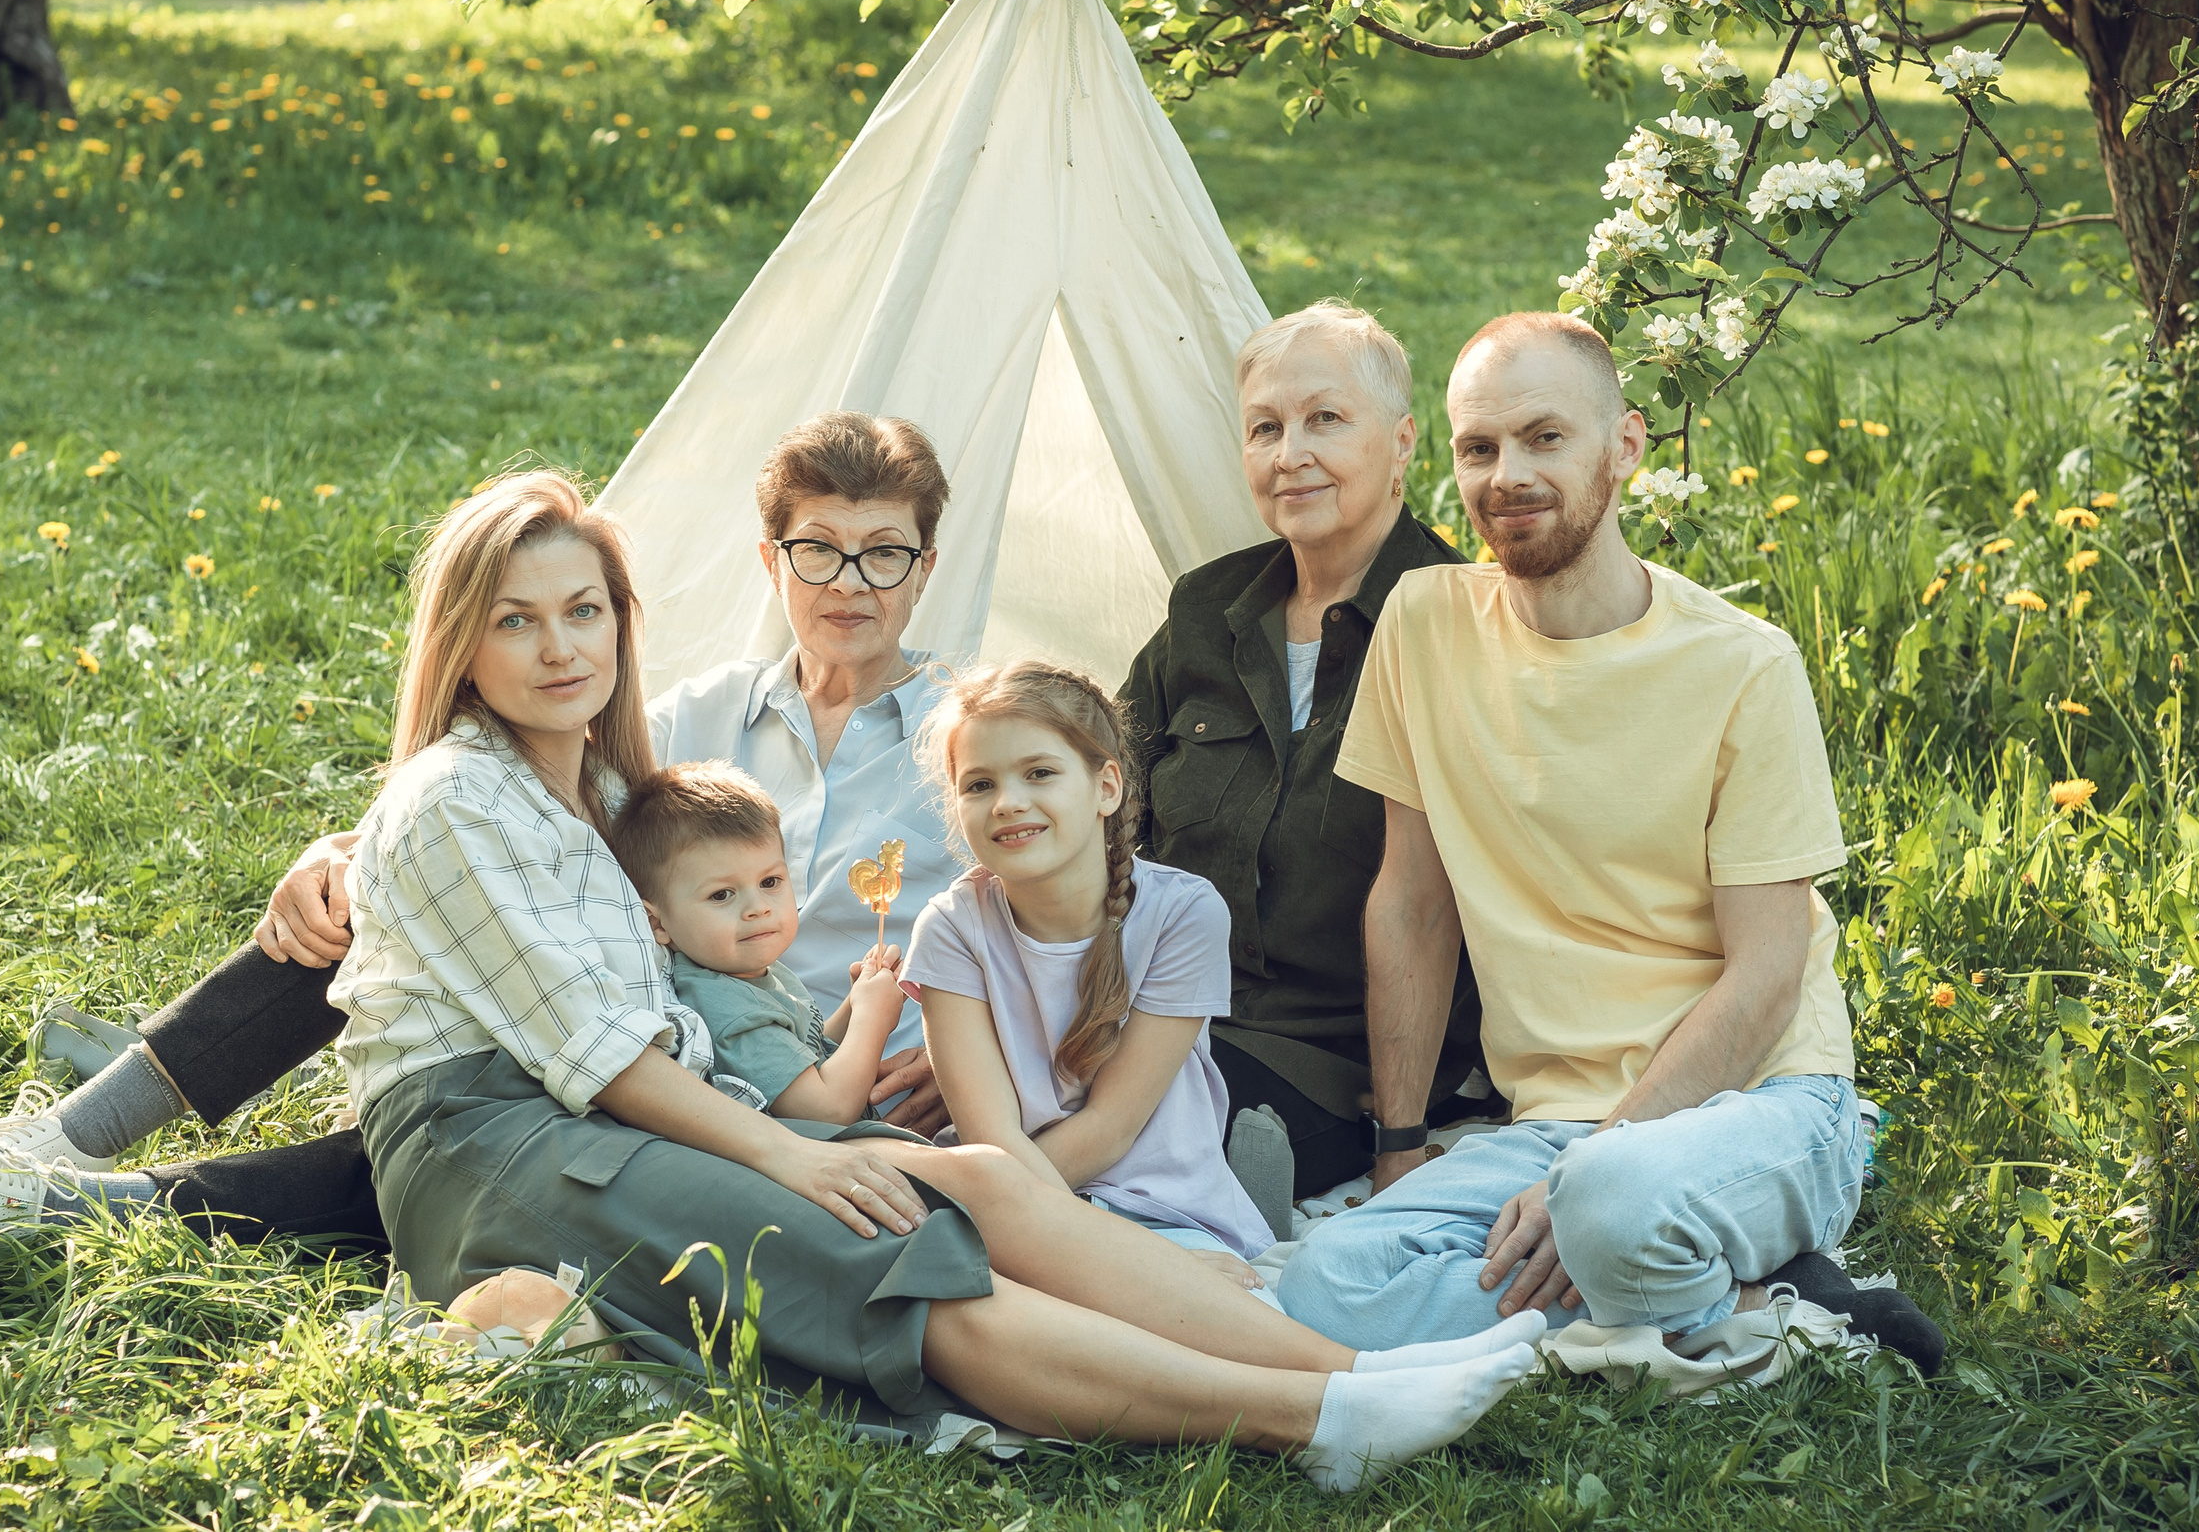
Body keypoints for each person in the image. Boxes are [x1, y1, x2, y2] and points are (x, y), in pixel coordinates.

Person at [251, 470, 1558, 1478]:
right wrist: (795, 1153)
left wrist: (811, 1111)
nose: (558, 647)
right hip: (510, 1138)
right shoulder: (457, 796)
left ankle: (1357, 1367)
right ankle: (1314, 1417)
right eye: (517, 622)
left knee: (983, 1177)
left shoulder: (594, 782)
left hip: (644, 1103)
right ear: (463, 643)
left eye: (582, 610)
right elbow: (599, 1056)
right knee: (892, 1256)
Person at [0, 414, 971, 1245]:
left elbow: (1056, 922)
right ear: (773, 560)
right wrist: (348, 855)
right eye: (819, 551)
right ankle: (73, 1135)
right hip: (641, 1011)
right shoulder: (695, 717)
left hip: (815, 1064)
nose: (849, 584)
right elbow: (531, 823)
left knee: (467, 1122)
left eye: (884, 555)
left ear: (926, 569)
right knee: (383, 921)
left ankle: (82, 1198)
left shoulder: (968, 746)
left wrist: (974, 1059)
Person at [1272, 313, 1945, 1374]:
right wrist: (1399, 1148)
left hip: (1766, 1103)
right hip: (1551, 1127)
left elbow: (1767, 977)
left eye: (1545, 438)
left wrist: (1595, 1161)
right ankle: (1742, 1295)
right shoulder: (1421, 624)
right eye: (1479, 448)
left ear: (1624, 446)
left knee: (1613, 1204)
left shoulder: (1744, 667)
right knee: (1321, 1287)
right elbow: (1410, 901)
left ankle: (1669, 1273)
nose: (1508, 475)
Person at [1121, 302, 1490, 1207]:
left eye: (1326, 419)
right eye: (1265, 428)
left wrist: (1400, 1136)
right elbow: (1101, 811)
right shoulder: (1205, 610)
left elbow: (1446, 900)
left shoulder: (1461, 623)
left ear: (1403, 443)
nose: (1291, 452)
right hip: (1157, 1018)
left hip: (1329, 1061)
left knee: (1118, 1151)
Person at [906, 660, 1274, 1282]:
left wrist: (1143, 1260)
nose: (1008, 803)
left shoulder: (1184, 914)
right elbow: (993, 1141)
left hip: (1159, 1210)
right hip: (1012, 1198)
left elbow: (1110, 1129)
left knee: (1196, 1343)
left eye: (1040, 772)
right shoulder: (951, 928)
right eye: (978, 785)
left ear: (1106, 787)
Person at [613, 759, 908, 1121]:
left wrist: (855, 1003)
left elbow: (805, 1053)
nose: (758, 909)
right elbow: (826, 1110)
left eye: (770, 882)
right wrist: (873, 1018)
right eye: (721, 895)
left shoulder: (749, 972)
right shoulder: (728, 1010)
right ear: (657, 923)